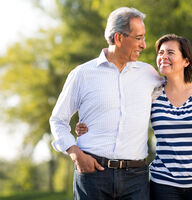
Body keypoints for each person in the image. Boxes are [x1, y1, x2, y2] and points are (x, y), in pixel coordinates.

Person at [76, 34, 192, 200]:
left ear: (186, 61)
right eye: (160, 53)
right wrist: (88, 125)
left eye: (170, 52)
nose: (163, 56)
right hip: (163, 185)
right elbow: (120, 113)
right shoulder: (152, 94)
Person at [49, 7, 163, 200]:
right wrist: (75, 153)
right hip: (92, 176)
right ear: (118, 38)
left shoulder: (148, 74)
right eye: (139, 37)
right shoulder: (82, 74)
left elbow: (177, 90)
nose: (144, 45)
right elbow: (58, 120)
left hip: (136, 178)